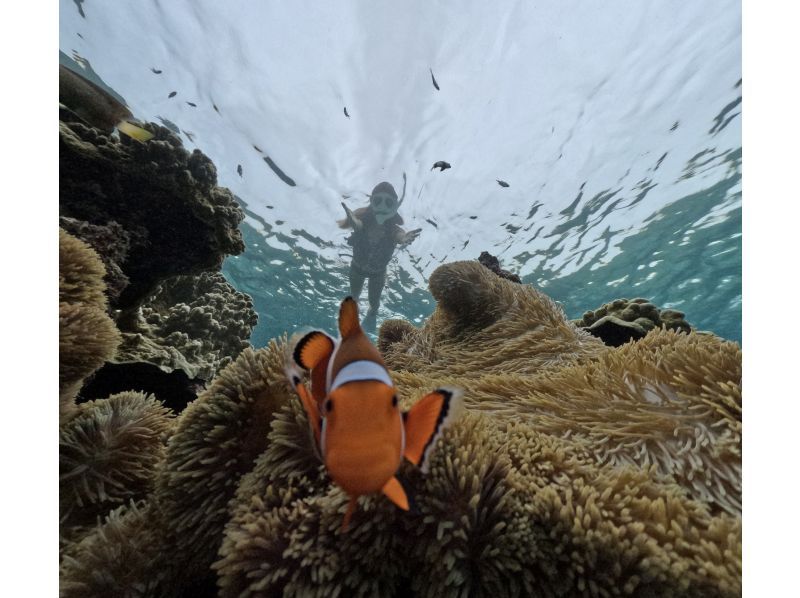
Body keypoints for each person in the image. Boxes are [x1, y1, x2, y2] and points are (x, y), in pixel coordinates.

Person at [338, 173, 421, 332]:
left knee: (374, 303)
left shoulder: (392, 229)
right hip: (356, 269)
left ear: (394, 207)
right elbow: (358, 226)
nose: (382, 206)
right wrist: (353, 221)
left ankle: (371, 316)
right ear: (372, 203)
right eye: (378, 201)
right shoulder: (363, 223)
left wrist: (404, 238)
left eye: (388, 202)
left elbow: (399, 236)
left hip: (378, 274)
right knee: (354, 297)